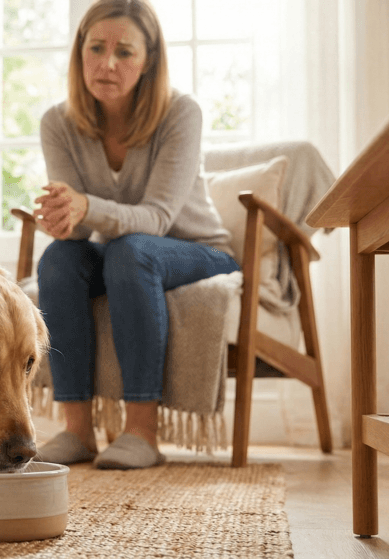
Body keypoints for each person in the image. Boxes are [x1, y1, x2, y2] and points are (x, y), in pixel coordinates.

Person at [32, 0, 238, 469]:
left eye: (124, 52)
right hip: (124, 253)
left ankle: (143, 432)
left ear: (148, 62)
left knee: (131, 252)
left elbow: (159, 218)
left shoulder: (181, 112)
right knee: (59, 260)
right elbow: (83, 223)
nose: (107, 63)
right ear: (79, 52)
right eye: (96, 47)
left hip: (199, 250)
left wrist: (87, 207)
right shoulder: (57, 123)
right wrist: (65, 219)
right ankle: (77, 431)